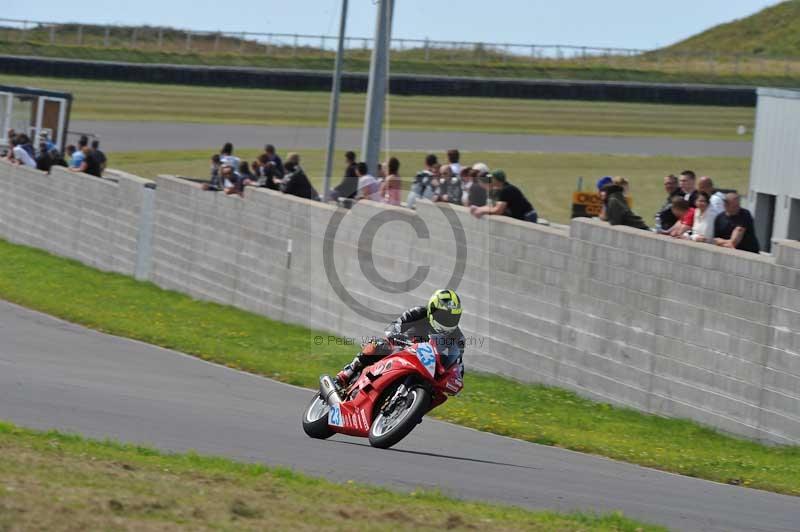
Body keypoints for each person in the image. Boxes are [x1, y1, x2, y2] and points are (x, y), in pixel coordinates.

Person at [335, 289, 465, 386]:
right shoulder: (418, 313)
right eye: (444, 316)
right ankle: (349, 372)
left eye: (453, 317)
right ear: (432, 310)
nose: (448, 321)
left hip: (427, 368)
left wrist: (456, 376)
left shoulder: (458, 337)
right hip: (403, 350)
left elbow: (457, 364)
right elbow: (394, 327)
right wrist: (398, 338)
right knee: (378, 344)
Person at [470, 170, 537, 223]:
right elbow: (492, 206)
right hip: (522, 215)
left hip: (527, 216)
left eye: (492, 179)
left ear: (496, 180)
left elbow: (498, 210)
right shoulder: (499, 189)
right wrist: (479, 209)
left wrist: (482, 211)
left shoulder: (505, 190)